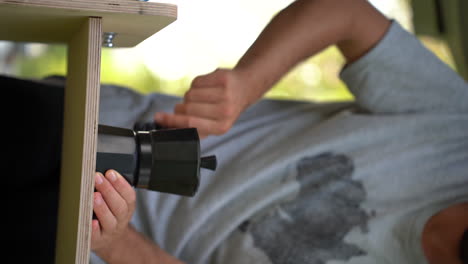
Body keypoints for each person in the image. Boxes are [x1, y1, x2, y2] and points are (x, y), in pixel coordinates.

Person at [8, 0, 467, 263]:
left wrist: (115, 241)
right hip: (97, 123)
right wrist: (246, 82)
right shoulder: (455, 132)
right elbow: (346, 12)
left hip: (81, 250)